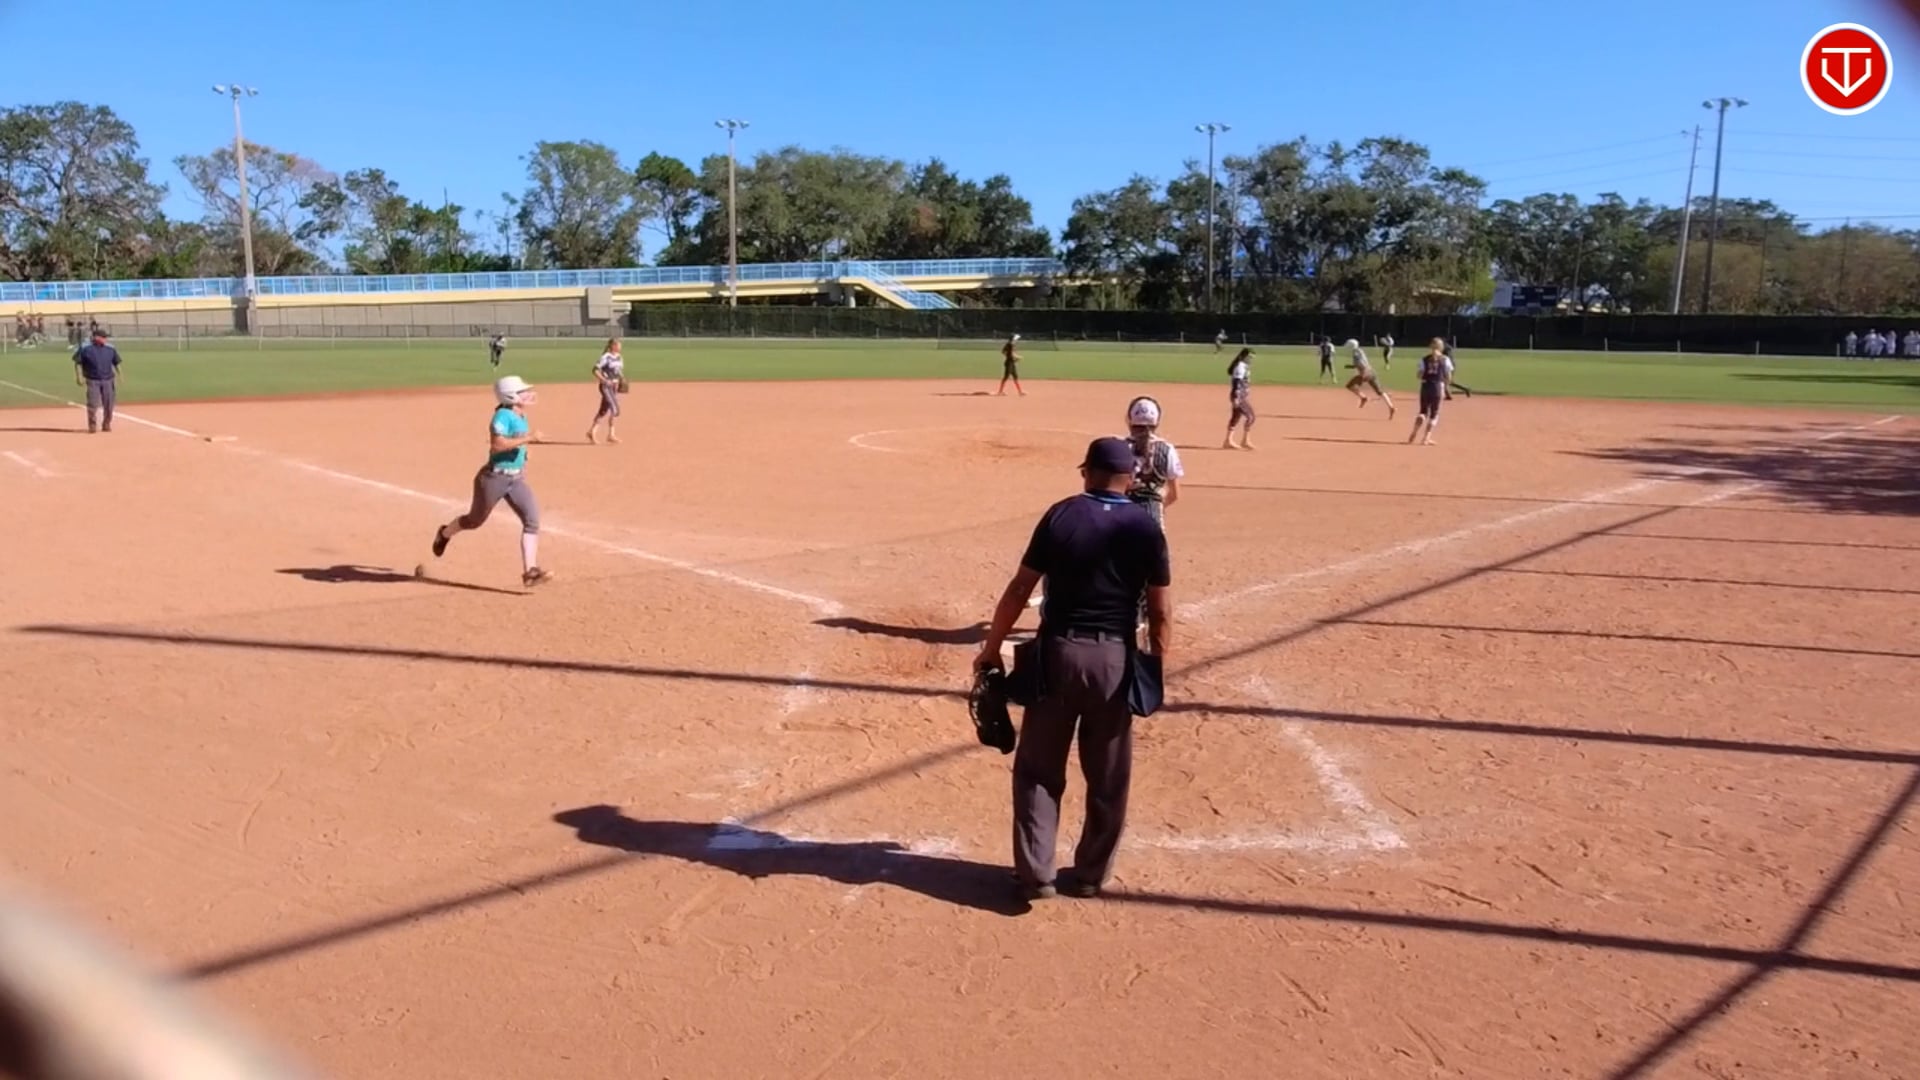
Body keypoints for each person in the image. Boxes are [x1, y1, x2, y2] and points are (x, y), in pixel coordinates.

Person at [972, 436, 1172, 901]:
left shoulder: (1061, 515)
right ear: (1130, 478)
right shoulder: (1145, 528)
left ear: (1087, 473)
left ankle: (1035, 874)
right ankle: (1089, 875)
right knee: (1109, 777)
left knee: (1038, 770)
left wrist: (992, 648)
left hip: (1057, 655)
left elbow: (1020, 589)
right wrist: (1154, 666)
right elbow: (1161, 612)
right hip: (1114, 662)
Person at [429, 375, 554, 589]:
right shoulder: (502, 416)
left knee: (532, 520)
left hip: (516, 479)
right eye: (522, 391)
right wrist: (529, 439)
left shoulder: (521, 415)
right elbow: (497, 445)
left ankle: (530, 572)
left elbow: (516, 442)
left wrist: (524, 453)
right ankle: (444, 533)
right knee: (474, 520)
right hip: (493, 479)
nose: (527, 394)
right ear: (510, 395)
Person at [71, 328, 120, 434]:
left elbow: (116, 362)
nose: (105, 339)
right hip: (92, 380)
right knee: (92, 404)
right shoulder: (85, 348)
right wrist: (79, 376)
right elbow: (77, 363)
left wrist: (120, 375)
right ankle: (92, 425)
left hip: (108, 380)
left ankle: (106, 423)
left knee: (109, 404)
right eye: (103, 337)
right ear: (96, 337)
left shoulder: (110, 348)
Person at [1408, 338, 1450, 445]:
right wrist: (1446, 385)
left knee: (1423, 412)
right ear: (1441, 347)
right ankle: (1426, 437)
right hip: (1437, 387)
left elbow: (1419, 375)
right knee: (1434, 414)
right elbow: (1448, 376)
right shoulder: (1445, 359)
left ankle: (1414, 431)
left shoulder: (1425, 359)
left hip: (1425, 386)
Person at [1342, 338, 1395, 418]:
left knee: (1349, 386)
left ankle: (1363, 397)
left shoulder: (1355, 353)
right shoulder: (1360, 350)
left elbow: (1361, 364)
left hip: (1365, 373)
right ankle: (1391, 407)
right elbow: (1361, 363)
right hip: (1371, 371)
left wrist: (1362, 374)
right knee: (1379, 391)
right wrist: (1351, 366)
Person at [586, 338, 624, 445]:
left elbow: (618, 371)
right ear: (613, 346)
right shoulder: (606, 357)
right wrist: (604, 380)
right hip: (606, 387)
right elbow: (595, 370)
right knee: (615, 409)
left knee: (604, 410)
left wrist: (622, 378)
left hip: (614, 386)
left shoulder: (619, 357)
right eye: (618, 345)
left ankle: (592, 432)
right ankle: (610, 434)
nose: (620, 347)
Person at [1223, 347, 1256, 450]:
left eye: (1252, 358)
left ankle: (1228, 441)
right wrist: (1236, 397)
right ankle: (1245, 441)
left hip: (1241, 396)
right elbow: (1236, 383)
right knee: (1251, 417)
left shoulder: (1244, 366)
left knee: (1236, 417)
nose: (1250, 359)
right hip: (1239, 397)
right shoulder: (1240, 367)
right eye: (1249, 357)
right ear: (1243, 356)